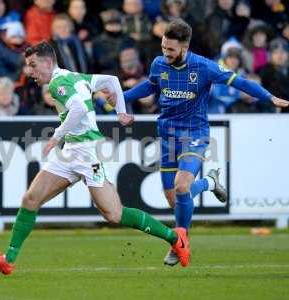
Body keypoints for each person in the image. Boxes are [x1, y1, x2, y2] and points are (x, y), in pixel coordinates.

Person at [0, 42, 191, 275]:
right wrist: (120, 111)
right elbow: (112, 81)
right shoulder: (75, 76)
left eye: (33, 65)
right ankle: (8, 260)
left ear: (48, 62)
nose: (29, 72)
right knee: (31, 199)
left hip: (87, 151)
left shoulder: (59, 83)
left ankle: (175, 238)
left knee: (114, 214)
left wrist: (56, 136)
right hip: (71, 150)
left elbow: (79, 108)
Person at [109, 19, 289, 267]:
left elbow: (241, 82)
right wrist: (120, 97)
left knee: (182, 187)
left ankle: (179, 242)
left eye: (170, 49)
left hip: (195, 134)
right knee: (175, 197)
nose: (165, 53)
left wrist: (270, 97)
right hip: (168, 136)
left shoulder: (205, 67)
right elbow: (149, 87)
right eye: (163, 47)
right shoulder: (159, 63)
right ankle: (209, 183)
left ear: (185, 47)